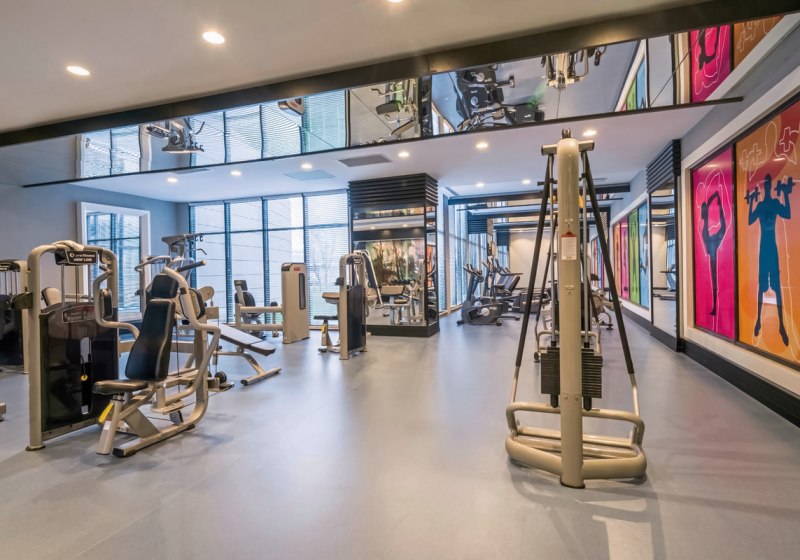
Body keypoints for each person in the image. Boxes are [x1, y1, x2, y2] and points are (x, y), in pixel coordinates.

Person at [747, 174, 794, 345]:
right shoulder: (762, 205)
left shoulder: (773, 204)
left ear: (770, 186)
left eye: (768, 183)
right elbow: (750, 220)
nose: (767, 186)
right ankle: (759, 321)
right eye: (765, 183)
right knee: (762, 287)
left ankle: (781, 325)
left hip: (771, 249)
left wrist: (786, 195)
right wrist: (751, 202)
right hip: (765, 250)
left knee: (777, 287)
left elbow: (787, 214)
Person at [700, 191, 726, 316]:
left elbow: (723, 225)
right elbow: (722, 225)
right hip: (714, 265)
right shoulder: (710, 239)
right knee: (714, 284)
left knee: (715, 284)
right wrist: (715, 203)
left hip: (717, 265)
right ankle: (715, 307)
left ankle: (716, 307)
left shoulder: (710, 239)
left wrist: (717, 204)